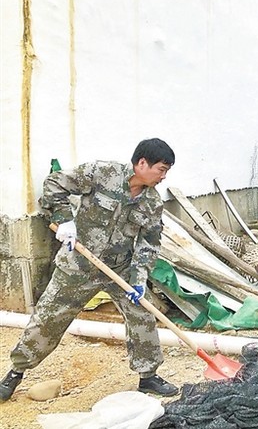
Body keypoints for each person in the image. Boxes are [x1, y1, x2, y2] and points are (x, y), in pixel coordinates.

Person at [0, 138, 178, 402]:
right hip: (78, 266)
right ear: (142, 163)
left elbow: (149, 244)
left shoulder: (152, 203)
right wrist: (64, 221)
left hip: (118, 269)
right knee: (48, 320)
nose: (164, 176)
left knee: (142, 314)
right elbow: (54, 185)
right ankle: (15, 373)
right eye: (161, 169)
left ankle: (148, 376)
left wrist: (139, 279)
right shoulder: (102, 173)